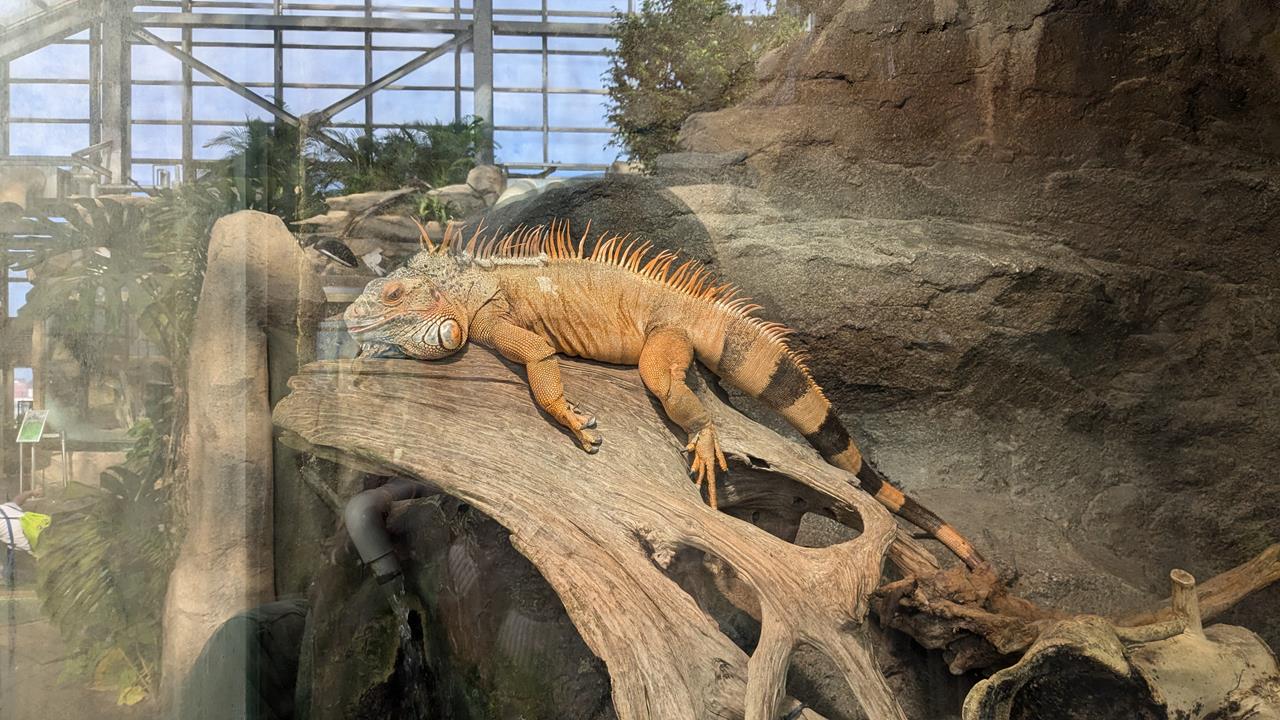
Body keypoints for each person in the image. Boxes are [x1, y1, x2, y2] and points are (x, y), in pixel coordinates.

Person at [0, 487, 45, 555]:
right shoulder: (4, 508)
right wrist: (32, 492)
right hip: (40, 539)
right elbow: (18, 499)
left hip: (23, 554)